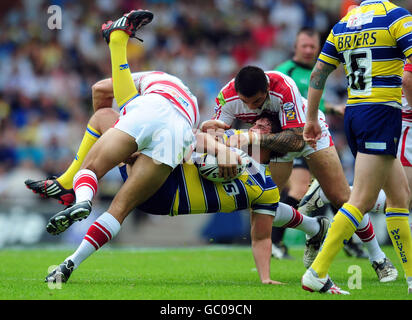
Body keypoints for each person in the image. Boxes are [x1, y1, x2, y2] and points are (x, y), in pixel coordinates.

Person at [44, 108, 329, 285]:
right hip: (164, 182)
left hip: (167, 189)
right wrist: (220, 149)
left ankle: (77, 194)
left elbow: (262, 237)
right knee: (106, 118)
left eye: (263, 128)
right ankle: (316, 227)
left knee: (119, 178)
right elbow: (196, 136)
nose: (254, 128)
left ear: (271, 139)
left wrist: (265, 277)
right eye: (255, 125)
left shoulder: (263, 184)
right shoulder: (240, 154)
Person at [201, 65, 396, 282]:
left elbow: (295, 140)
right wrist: (222, 152)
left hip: (307, 133)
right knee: (262, 203)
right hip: (271, 140)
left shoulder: (283, 85)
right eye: (245, 102)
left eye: (255, 102)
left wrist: (252, 138)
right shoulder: (226, 97)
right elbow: (216, 137)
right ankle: (314, 227)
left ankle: (378, 257)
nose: (250, 108)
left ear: (266, 89)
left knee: (341, 198)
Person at [301, 0, 412, 294]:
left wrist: (311, 118)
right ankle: (317, 271)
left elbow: (318, 75)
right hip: (381, 113)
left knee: (400, 198)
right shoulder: (396, 17)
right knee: (361, 199)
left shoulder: (343, 24)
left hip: (356, 113)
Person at [271, 27, 352, 259]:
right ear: (295, 47)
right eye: (303, 46)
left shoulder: (319, 71)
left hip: (316, 140)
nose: (308, 50)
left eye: (312, 47)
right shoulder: (285, 72)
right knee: (299, 188)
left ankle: (348, 240)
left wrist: (334, 108)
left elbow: (312, 106)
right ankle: (275, 241)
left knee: (336, 191)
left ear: (318, 48)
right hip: (292, 140)